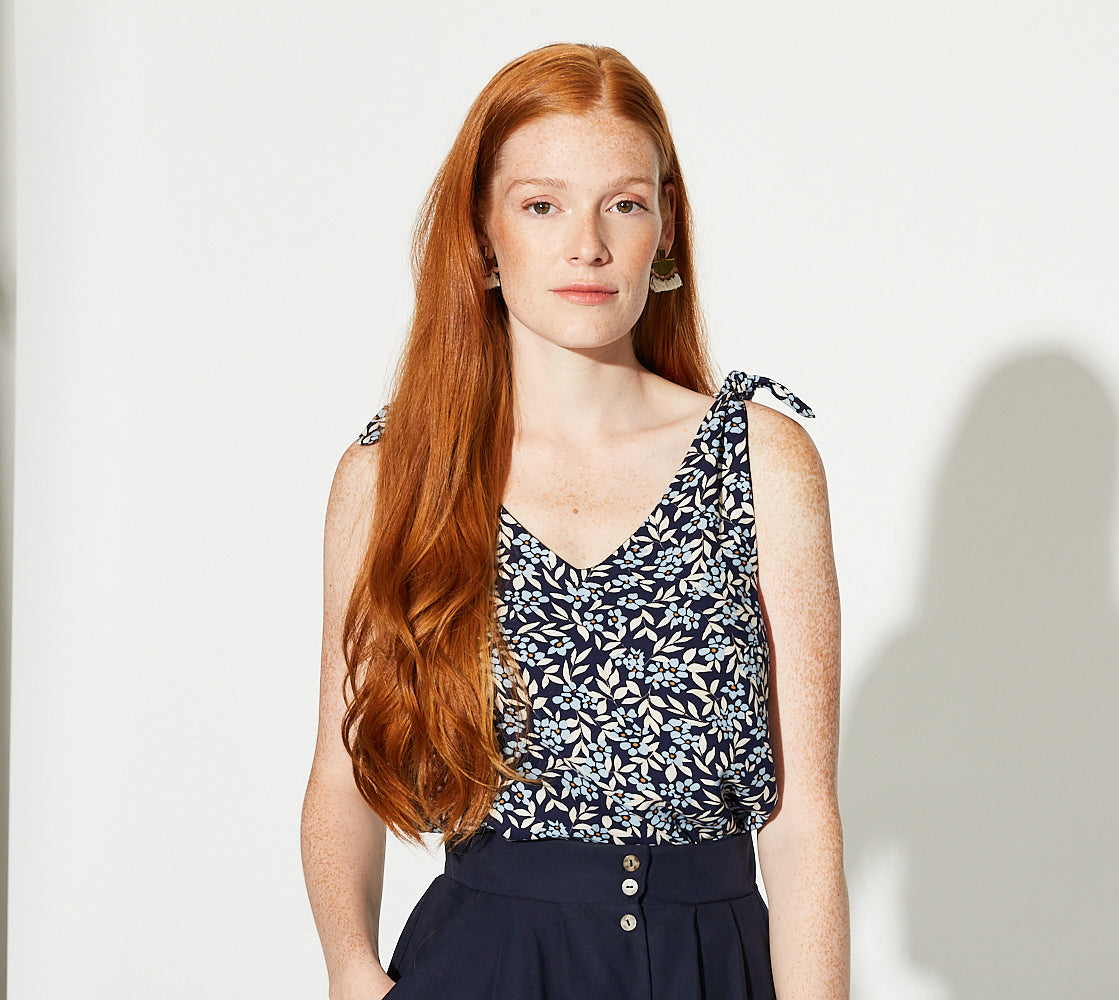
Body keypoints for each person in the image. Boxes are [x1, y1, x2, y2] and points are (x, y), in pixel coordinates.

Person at [299, 42, 848, 999]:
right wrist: (352, 970)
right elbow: (341, 775)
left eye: (623, 205)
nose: (587, 245)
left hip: (707, 968)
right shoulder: (395, 475)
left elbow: (802, 823)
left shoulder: (762, 461)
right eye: (542, 205)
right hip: (483, 964)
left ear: (664, 226)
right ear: (483, 232)